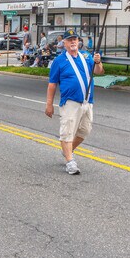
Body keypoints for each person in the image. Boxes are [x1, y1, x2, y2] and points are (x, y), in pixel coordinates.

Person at [45, 29, 104, 175]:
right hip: (70, 102)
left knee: (84, 131)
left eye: (75, 39)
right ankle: (70, 162)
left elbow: (98, 71)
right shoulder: (59, 61)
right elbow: (52, 84)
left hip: (87, 101)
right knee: (67, 132)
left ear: (78, 42)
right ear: (64, 43)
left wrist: (98, 62)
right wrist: (49, 104)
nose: (73, 42)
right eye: (69, 39)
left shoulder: (86, 56)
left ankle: (68, 151)